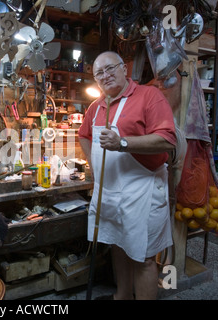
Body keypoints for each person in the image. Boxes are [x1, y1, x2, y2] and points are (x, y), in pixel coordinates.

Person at [78, 51, 177, 300]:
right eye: (99, 73)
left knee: (143, 257)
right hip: (109, 189)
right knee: (117, 246)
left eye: (110, 68)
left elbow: (167, 139)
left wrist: (122, 143)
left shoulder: (148, 96)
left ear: (124, 68)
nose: (105, 75)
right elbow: (83, 134)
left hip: (142, 188)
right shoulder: (96, 106)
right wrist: (94, 166)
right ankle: (121, 296)